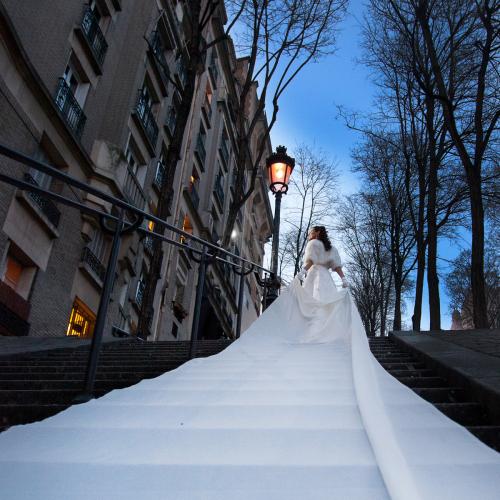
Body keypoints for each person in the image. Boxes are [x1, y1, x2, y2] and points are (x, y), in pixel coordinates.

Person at [297, 226, 348, 303]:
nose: (308, 236)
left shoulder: (313, 243)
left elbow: (311, 261)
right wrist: (343, 279)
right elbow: (337, 266)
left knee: (310, 301)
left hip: (314, 275)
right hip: (326, 277)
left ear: (317, 232)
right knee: (328, 302)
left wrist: (302, 273)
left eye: (310, 233)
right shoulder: (332, 248)